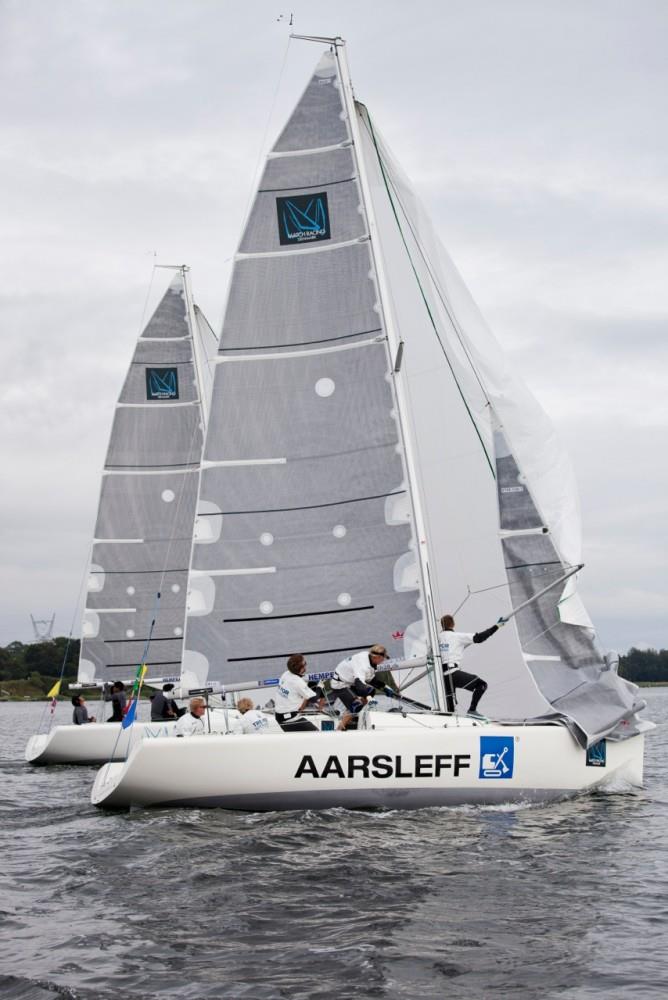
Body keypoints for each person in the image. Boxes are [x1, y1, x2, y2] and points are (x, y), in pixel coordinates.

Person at [438, 613, 505, 716]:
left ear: (442, 626)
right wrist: (497, 626)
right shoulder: (457, 636)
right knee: (481, 685)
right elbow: (480, 638)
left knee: (449, 710)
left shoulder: (436, 639)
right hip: (453, 674)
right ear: (453, 624)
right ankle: (472, 710)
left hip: (441, 678)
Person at [330, 644, 398, 718]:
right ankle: (341, 726)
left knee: (371, 691)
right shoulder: (363, 665)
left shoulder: (369, 658)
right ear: (377, 657)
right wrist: (368, 698)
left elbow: (371, 680)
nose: (383, 660)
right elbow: (359, 684)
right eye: (383, 658)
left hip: (350, 681)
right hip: (340, 684)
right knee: (357, 706)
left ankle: (352, 712)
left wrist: (385, 687)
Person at [275, 654, 325, 732]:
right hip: (290, 720)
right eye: (304, 665)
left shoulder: (286, 673)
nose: (305, 667)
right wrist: (320, 687)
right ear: (300, 669)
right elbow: (314, 699)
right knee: (316, 733)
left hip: (279, 716)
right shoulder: (297, 682)